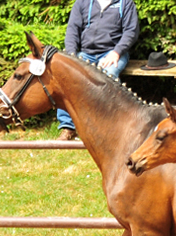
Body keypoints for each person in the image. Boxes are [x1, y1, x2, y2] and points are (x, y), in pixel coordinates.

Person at [57, 0, 140, 140]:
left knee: (109, 77)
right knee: (69, 77)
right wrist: (71, 56)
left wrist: (117, 52)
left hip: (113, 53)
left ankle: (110, 126)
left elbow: (131, 31)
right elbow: (72, 30)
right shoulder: (82, 3)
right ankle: (68, 127)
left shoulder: (125, 4)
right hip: (85, 53)